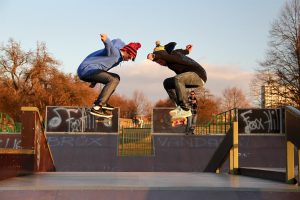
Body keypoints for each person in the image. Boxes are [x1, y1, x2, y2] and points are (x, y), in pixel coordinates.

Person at [77, 33, 141, 117]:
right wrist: (106, 40)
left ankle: (103, 102)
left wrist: (94, 81)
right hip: (87, 70)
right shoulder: (115, 53)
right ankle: (97, 106)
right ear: (126, 51)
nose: (128, 60)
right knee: (114, 79)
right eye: (129, 57)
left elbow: (103, 67)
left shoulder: (118, 58)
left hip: (90, 70)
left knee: (115, 79)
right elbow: (109, 47)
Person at [147, 42, 207, 119]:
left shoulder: (169, 57)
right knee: (167, 83)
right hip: (190, 77)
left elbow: (164, 55)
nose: (160, 64)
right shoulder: (175, 53)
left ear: (162, 56)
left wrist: (154, 56)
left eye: (159, 61)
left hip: (198, 75)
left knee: (178, 79)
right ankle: (180, 107)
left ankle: (185, 108)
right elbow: (182, 52)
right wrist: (187, 50)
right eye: (158, 63)